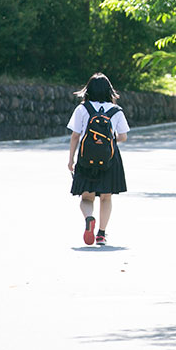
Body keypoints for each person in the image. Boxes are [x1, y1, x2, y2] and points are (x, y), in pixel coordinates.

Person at [67, 72, 130, 246]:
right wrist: (108, 140)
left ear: (88, 90)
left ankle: (89, 218)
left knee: (86, 197)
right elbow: (123, 136)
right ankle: (101, 234)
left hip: (86, 157)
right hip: (109, 159)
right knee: (106, 197)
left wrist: (71, 160)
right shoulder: (116, 111)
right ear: (109, 91)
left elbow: (75, 136)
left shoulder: (82, 109)